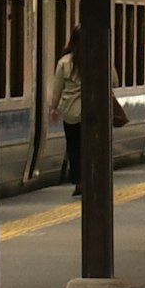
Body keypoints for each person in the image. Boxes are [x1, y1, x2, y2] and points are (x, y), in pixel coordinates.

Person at [48, 27, 83, 186]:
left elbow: (57, 89)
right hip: (94, 114)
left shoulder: (64, 63)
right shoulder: (99, 57)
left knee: (74, 147)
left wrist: (54, 108)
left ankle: (78, 180)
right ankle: (91, 176)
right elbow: (114, 81)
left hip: (71, 113)